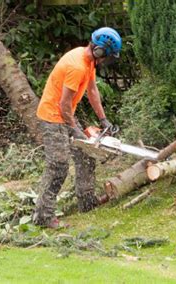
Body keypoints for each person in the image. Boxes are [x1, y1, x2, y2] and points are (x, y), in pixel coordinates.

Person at [32, 27, 122, 228]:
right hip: (53, 116)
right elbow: (64, 104)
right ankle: (43, 216)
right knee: (58, 166)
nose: (106, 60)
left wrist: (103, 119)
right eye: (106, 55)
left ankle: (87, 202)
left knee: (86, 154)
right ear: (99, 50)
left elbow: (92, 90)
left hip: (65, 115)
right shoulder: (77, 66)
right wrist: (75, 129)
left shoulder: (88, 61)